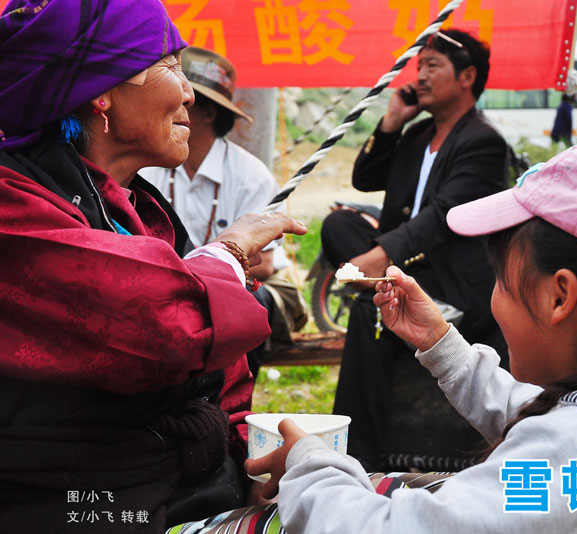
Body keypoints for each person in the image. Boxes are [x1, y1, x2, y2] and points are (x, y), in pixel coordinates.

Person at [240, 139, 577, 533]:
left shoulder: (571, 452)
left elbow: (387, 528)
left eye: (502, 280)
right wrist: (440, 343)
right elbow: (539, 412)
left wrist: (310, 466)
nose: (495, 296)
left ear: (559, 297)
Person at [0, 1, 306, 531]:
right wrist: (229, 251)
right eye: (170, 66)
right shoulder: (14, 205)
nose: (189, 93)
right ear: (101, 92)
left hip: (178, 489)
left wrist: (248, 455)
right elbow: (161, 324)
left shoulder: (140, 212)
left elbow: (222, 372)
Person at [319, 29, 509, 470]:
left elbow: (442, 216)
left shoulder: (483, 141)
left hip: (452, 280)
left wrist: (379, 255)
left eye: (432, 66)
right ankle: (384, 286)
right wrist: (392, 121)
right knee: (338, 224)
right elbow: (365, 178)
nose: (419, 76)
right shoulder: (418, 134)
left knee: (368, 314)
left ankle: (359, 457)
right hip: (409, 264)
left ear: (467, 77)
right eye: (418, 66)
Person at [139, 46, 307, 379]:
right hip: (174, 285)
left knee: (239, 303)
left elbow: (265, 263)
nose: (174, 105)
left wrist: (204, 268)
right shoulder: (149, 167)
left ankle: (226, 397)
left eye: (187, 100)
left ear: (209, 114)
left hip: (248, 285)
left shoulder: (251, 176)